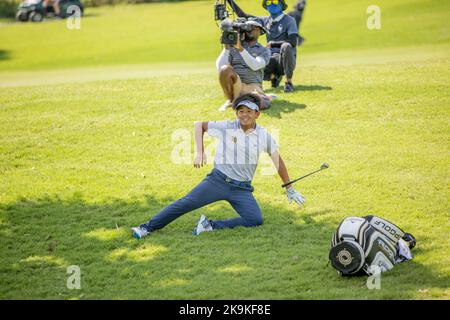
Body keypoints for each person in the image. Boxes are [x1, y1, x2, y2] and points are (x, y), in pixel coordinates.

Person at [131, 93, 305, 239]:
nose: (244, 115)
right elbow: (199, 125)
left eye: (249, 111)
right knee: (185, 203)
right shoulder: (228, 126)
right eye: (240, 111)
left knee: (255, 219)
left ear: (257, 114)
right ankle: (146, 227)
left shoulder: (264, 136)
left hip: (242, 189)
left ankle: (209, 225)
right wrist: (200, 152)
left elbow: (277, 160)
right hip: (218, 181)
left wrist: (289, 188)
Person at [226, 0, 304, 93]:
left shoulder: (289, 20)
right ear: (265, 6)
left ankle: (288, 82)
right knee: (254, 56)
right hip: (270, 57)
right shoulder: (265, 20)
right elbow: (244, 16)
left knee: (286, 46)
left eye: (275, 1)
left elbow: (293, 41)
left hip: (285, 60)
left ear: (282, 4)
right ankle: (273, 77)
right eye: (268, 3)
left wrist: (273, 44)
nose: (271, 4)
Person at [216, 19, 274, 111]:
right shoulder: (234, 47)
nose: (250, 30)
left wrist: (241, 49)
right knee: (224, 69)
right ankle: (231, 101)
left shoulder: (263, 50)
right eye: (248, 28)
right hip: (236, 85)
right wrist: (226, 48)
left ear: (260, 31)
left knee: (262, 104)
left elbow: (256, 65)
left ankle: (252, 98)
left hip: (253, 86)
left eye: (254, 28)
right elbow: (220, 67)